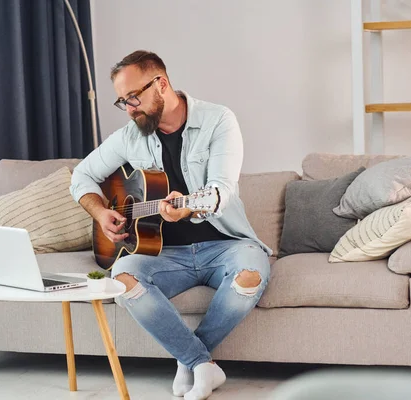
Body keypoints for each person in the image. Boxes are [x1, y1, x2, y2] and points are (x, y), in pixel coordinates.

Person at [69, 50, 272, 400]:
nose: (130, 108)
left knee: (251, 274)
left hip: (225, 244)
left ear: (161, 84)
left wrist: (191, 209)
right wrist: (101, 213)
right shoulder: (130, 136)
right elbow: (81, 176)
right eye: (123, 102)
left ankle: (190, 359)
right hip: (163, 253)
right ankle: (201, 363)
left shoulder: (218, 120)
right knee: (122, 277)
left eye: (134, 97)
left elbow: (222, 189)